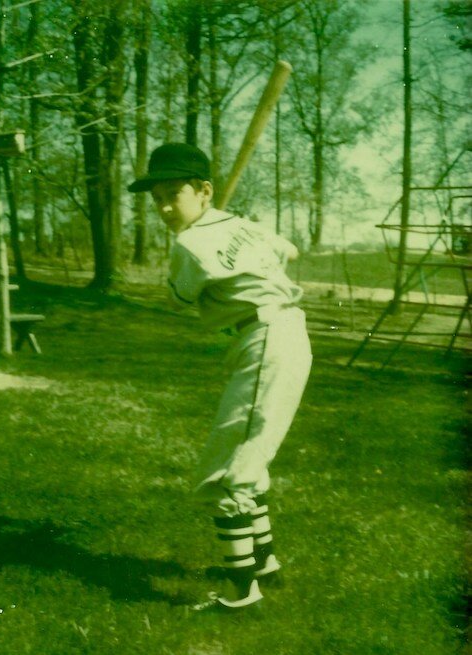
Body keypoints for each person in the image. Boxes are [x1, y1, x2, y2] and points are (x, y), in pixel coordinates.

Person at [128, 142, 312, 612]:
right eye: (158, 198)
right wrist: (236, 233)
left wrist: (210, 240)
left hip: (265, 338)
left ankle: (239, 590)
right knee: (249, 454)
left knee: (226, 468)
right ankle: (264, 564)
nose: (166, 207)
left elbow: (183, 299)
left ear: (204, 191)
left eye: (175, 193)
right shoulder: (241, 224)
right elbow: (290, 249)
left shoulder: (189, 243)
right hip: (282, 333)